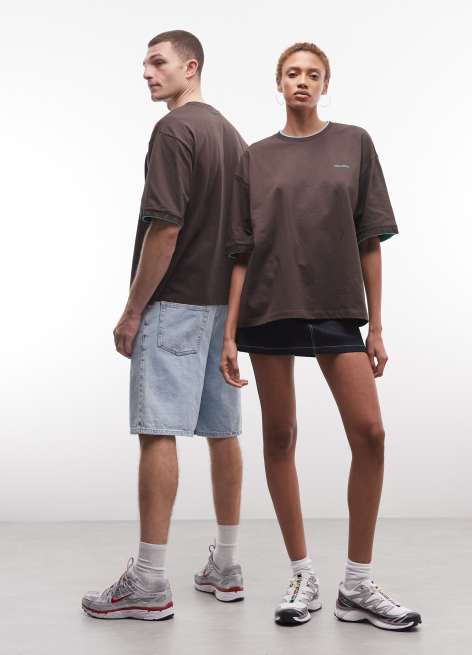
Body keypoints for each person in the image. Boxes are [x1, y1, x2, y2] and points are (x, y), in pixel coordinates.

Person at [221, 42, 422, 631]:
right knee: (280, 436)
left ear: (326, 84)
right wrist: (229, 334)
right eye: (292, 73)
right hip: (268, 308)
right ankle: (302, 575)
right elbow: (240, 252)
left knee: (371, 434)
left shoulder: (354, 144)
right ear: (279, 83)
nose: (302, 82)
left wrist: (376, 325)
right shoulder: (254, 157)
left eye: (313, 74)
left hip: (337, 309)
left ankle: (356, 584)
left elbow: (370, 239)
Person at [82, 30, 247, 620]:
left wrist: (133, 311)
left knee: (158, 431)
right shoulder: (232, 136)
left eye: (158, 62)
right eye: (145, 64)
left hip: (174, 302)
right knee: (223, 434)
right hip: (220, 309)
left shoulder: (174, 130)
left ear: (190, 66)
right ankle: (227, 566)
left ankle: (149, 581)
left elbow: (167, 227)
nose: (148, 74)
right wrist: (233, 323)